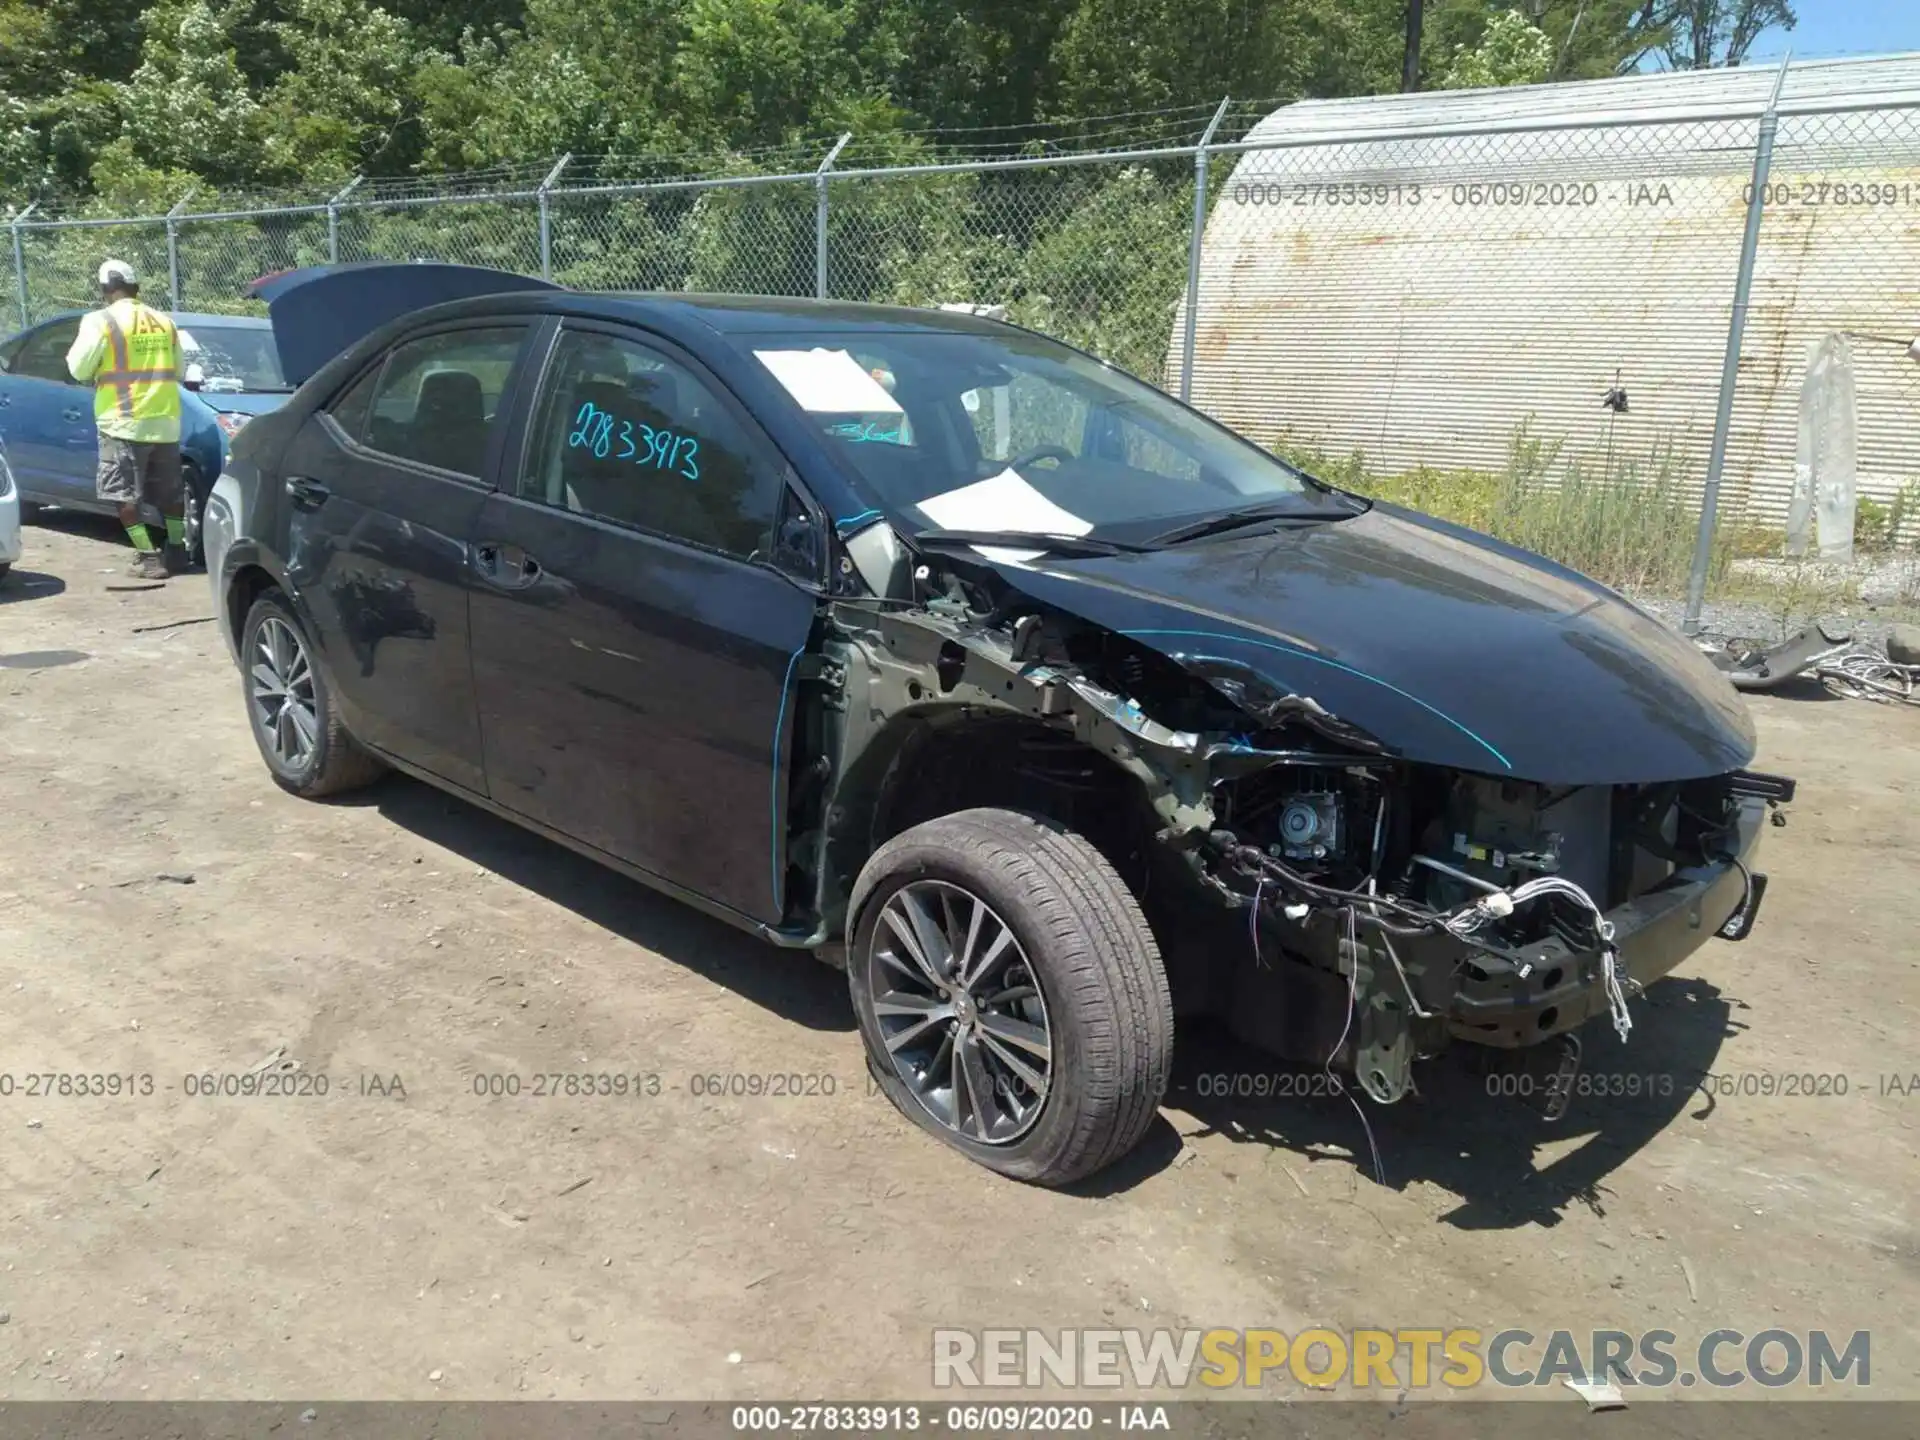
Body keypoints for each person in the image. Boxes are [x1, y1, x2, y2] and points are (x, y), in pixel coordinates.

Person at [65, 259, 186, 581]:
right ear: (136, 288)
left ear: (105, 289)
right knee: (171, 495)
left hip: (122, 421)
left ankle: (149, 558)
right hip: (165, 421)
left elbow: (78, 369)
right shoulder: (164, 321)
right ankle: (177, 550)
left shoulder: (99, 321)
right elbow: (180, 370)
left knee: (122, 494)